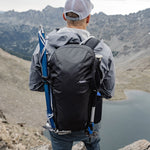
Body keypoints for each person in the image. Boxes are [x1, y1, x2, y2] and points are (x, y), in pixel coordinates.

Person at [29, 0, 115, 149]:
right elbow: (108, 92)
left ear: (64, 16)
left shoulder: (44, 46)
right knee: (93, 144)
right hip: (91, 121)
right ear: (88, 18)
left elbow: (36, 85)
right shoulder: (103, 49)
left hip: (58, 121)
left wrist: (62, 86)